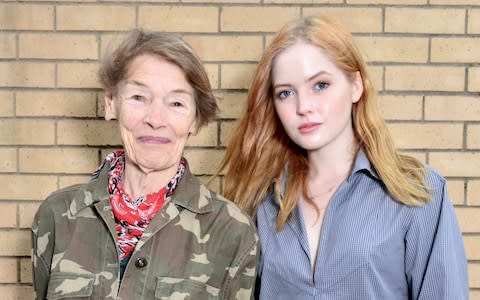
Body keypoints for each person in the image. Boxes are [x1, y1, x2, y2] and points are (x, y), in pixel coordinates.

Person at [216, 16, 468, 299]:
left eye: (320, 85)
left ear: (356, 85)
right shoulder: (260, 198)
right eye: (286, 93)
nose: (304, 107)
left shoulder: (419, 192)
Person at [31, 30, 258, 299]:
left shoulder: (231, 231)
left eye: (176, 103)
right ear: (111, 104)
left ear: (196, 120)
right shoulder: (57, 217)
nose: (155, 118)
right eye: (139, 97)